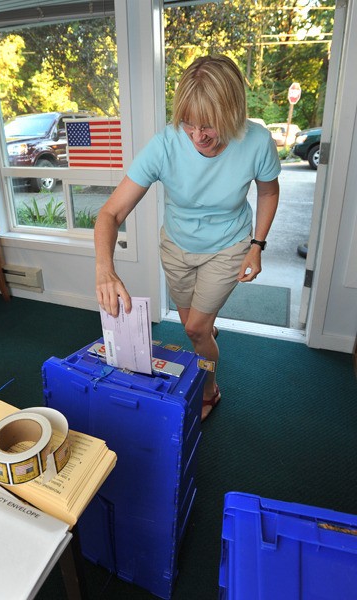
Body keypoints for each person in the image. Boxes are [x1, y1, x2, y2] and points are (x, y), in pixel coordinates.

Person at [95, 55, 280, 422]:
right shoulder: (165, 144)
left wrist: (256, 245)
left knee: (194, 330)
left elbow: (269, 193)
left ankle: (210, 391)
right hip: (176, 246)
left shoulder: (257, 141)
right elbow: (111, 213)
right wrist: (105, 268)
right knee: (192, 325)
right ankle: (205, 333)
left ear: (233, 112)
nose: (197, 136)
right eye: (189, 124)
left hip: (228, 245)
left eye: (209, 126)